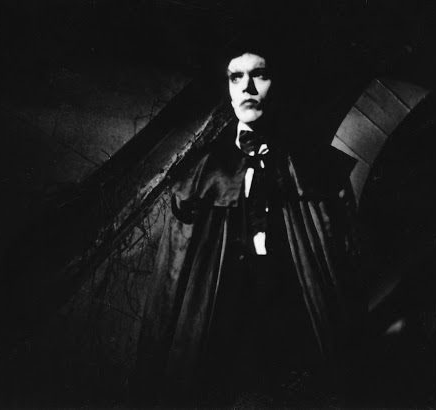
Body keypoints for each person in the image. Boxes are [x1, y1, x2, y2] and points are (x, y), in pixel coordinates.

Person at [133, 40, 364, 406]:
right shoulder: (201, 173)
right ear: (227, 88)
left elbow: (345, 260)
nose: (248, 88)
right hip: (224, 319)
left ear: (278, 84)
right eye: (236, 77)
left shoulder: (314, 167)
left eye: (260, 75)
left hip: (293, 315)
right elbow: (174, 277)